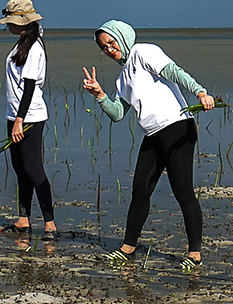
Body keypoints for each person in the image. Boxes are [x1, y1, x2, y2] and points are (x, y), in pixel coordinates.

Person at [83, 20, 215, 272]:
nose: (109, 50)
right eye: (104, 48)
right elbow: (118, 113)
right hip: (153, 135)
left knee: (183, 191)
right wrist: (99, 95)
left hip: (177, 128)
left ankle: (195, 254)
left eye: (111, 42)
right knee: (140, 190)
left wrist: (200, 92)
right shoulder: (122, 79)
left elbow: (175, 72)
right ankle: (127, 249)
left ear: (122, 37)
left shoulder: (143, 52)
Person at [0, 0, 54, 238]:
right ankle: (23, 219)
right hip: (15, 115)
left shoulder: (34, 47)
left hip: (29, 117)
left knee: (34, 169)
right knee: (20, 168)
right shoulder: (22, 43)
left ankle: (49, 224)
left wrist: (20, 120)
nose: (7, 25)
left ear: (22, 23)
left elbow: (29, 87)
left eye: (10, 21)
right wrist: (14, 118)